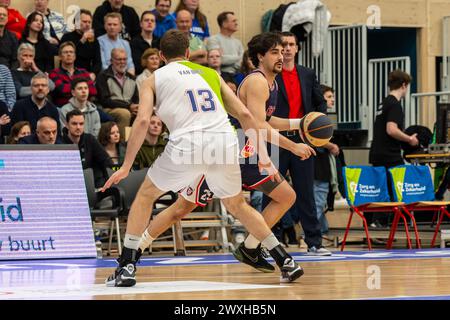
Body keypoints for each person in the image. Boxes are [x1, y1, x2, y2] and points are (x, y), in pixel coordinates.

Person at [102, 29, 304, 287]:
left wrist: (127, 166)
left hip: (188, 145)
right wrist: (263, 157)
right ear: (188, 53)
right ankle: (285, 260)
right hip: (225, 143)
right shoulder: (211, 73)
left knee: (146, 195)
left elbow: (142, 120)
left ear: (162, 56)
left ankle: (126, 266)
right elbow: (245, 115)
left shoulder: (153, 78)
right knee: (238, 205)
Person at [266, 31, 332, 256]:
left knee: (306, 192)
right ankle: (270, 242)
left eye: (291, 44)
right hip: (276, 139)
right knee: (273, 191)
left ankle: (314, 242)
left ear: (297, 49)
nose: (286, 48)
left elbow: (320, 102)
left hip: (302, 140)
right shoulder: (270, 73)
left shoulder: (307, 73)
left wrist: (317, 125)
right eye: (282, 44)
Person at [368, 70, 418, 227]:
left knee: (382, 189)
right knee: (395, 188)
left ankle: (378, 223)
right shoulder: (395, 105)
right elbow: (391, 129)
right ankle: (381, 223)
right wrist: (410, 139)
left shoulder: (383, 103)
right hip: (389, 155)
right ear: (404, 85)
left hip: (377, 153)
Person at [313, 85, 339, 237]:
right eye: (329, 97)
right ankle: (309, 235)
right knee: (318, 201)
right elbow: (316, 138)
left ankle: (322, 231)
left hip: (319, 164)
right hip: (318, 165)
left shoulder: (320, 116)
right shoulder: (318, 117)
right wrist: (331, 145)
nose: (333, 100)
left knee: (319, 201)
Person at [96, 47, 139, 140]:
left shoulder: (132, 78)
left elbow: (136, 99)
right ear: (111, 60)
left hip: (128, 108)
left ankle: (139, 147)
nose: (122, 62)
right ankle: (122, 147)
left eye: (124, 59)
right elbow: (105, 100)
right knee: (124, 114)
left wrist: (136, 107)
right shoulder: (103, 76)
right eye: (119, 59)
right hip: (109, 109)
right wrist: (128, 106)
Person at [62, 109, 113, 186]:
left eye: (81, 124)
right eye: (74, 124)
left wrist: (108, 182)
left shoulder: (90, 139)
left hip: (91, 184)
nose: (78, 127)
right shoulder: (60, 142)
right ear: (66, 125)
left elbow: (105, 160)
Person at [48, 41, 97, 107]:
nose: (69, 54)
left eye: (71, 52)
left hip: (85, 106)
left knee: (106, 117)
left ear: (75, 56)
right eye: (65, 52)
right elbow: (62, 90)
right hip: (64, 107)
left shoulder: (83, 72)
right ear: (60, 57)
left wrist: (71, 89)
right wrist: (83, 88)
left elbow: (93, 91)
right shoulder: (54, 73)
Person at [60, 9, 102, 77]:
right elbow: (70, 56)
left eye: (89, 22)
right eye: (85, 22)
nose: (87, 24)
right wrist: (82, 40)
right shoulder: (67, 37)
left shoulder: (93, 39)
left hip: (87, 74)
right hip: (68, 73)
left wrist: (94, 73)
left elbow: (98, 62)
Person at [130, 11, 160, 76]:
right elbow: (137, 64)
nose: (150, 22)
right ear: (141, 24)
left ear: (155, 24)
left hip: (159, 76)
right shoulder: (134, 42)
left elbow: (162, 62)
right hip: (141, 76)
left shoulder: (159, 41)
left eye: (152, 21)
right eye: (146, 20)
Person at [0, 4, 18, 69]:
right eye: (0, 14)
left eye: (4, 15)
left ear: (7, 18)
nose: (2, 17)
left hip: (9, 73)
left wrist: (10, 74)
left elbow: (15, 60)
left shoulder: (13, 37)